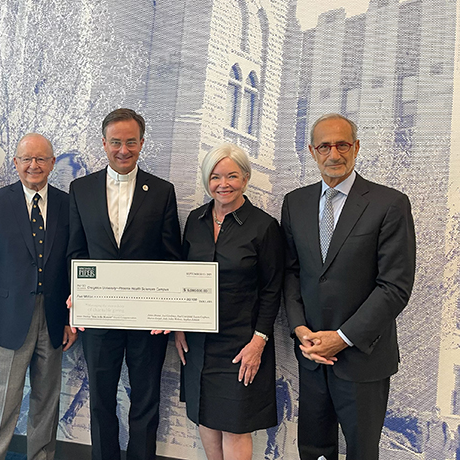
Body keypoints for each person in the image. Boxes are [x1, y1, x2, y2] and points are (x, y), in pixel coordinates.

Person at [281, 113, 416, 460]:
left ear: (356, 148)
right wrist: (300, 330)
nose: (334, 154)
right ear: (312, 152)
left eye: (342, 144)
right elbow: (291, 272)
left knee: (361, 451)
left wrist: (340, 338)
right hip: (311, 356)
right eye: (324, 146)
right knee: (312, 449)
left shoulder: (389, 204)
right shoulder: (295, 203)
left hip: (362, 358)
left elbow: (395, 286)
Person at [67, 108, 182, 460]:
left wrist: (166, 309)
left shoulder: (162, 191)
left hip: (147, 322)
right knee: (101, 399)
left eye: (131, 142)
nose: (123, 149)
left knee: (145, 400)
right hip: (98, 317)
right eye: (115, 142)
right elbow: (76, 252)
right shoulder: (80, 189)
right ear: (104, 143)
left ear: (142, 143)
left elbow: (171, 256)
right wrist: (75, 297)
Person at [0, 133, 76, 460]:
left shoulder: (66, 204)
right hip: (8, 320)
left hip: (55, 317)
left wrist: (74, 318)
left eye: (41, 159)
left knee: (47, 400)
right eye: (26, 159)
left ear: (52, 163)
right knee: (1, 401)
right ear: (15, 163)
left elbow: (73, 263)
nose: (33, 165)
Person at [175, 143, 283, 460]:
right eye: (215, 177)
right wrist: (180, 327)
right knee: (205, 416)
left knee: (236, 426)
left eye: (232, 176)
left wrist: (258, 342)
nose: (223, 184)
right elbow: (182, 278)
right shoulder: (194, 221)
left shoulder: (264, 227)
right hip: (198, 341)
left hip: (241, 344)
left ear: (246, 178)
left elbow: (272, 290)